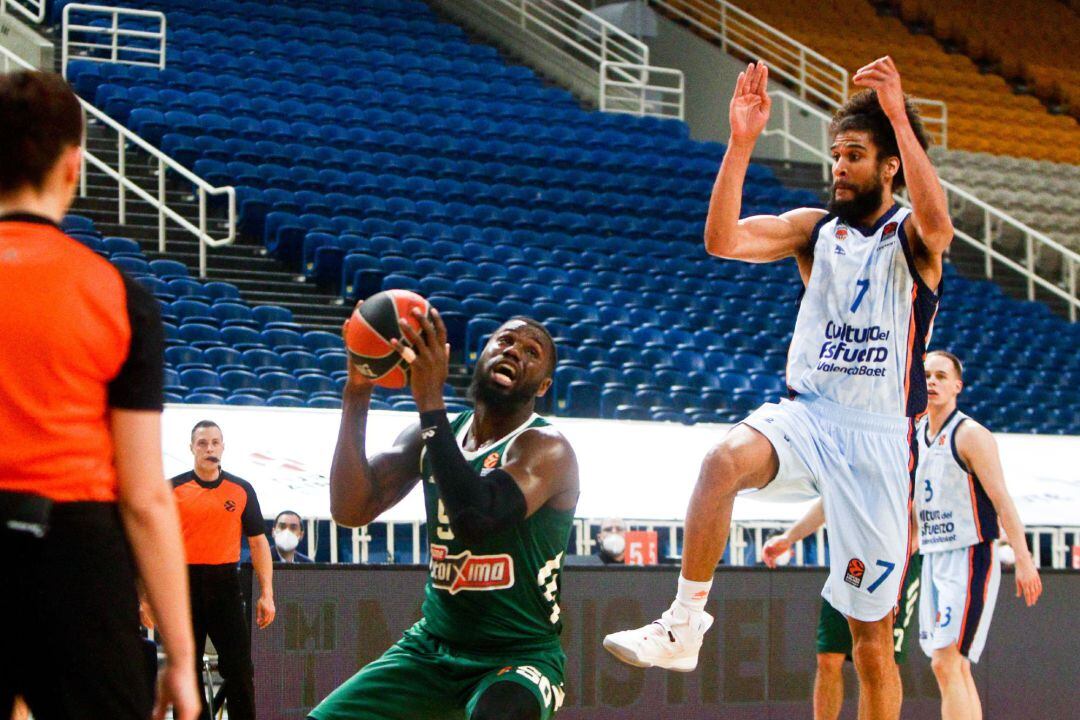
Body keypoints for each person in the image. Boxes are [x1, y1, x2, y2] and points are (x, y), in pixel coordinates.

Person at [604, 56, 952, 720]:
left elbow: (939, 227)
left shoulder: (909, 239)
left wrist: (900, 115)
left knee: (871, 647)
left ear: (889, 168)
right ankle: (683, 624)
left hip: (881, 443)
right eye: (836, 154)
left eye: (855, 154)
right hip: (810, 415)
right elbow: (722, 239)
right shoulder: (812, 230)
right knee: (720, 463)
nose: (839, 166)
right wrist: (739, 144)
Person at [0, 69, 198, 720]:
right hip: (74, 558)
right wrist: (178, 654)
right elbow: (144, 496)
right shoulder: (116, 295)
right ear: (72, 168)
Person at [311, 312, 579, 720]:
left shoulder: (547, 447)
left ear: (543, 386)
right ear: (480, 354)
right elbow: (350, 509)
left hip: (518, 657)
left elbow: (477, 520)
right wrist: (358, 390)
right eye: (504, 341)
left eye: (531, 352)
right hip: (432, 648)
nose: (514, 351)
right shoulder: (431, 434)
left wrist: (429, 403)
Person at [916, 351, 1042, 720]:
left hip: (970, 555)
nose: (932, 381)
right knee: (952, 667)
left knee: (946, 662)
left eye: (941, 376)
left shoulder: (970, 434)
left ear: (958, 386)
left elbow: (1002, 500)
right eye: (925, 375)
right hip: (933, 554)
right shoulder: (917, 434)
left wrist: (1024, 559)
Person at [762, 499, 923, 720]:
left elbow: (923, 496)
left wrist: (912, 540)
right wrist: (789, 537)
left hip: (897, 558)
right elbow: (831, 497)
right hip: (853, 558)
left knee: (882, 658)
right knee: (829, 654)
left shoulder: (908, 466)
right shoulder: (846, 465)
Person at [169, 420, 276, 720]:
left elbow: (258, 543)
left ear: (223, 447)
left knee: (240, 669)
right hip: (183, 587)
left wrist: (267, 592)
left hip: (226, 586)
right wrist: (148, 597)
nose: (209, 449)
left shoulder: (241, 489)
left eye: (215, 442)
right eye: (202, 443)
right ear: (191, 448)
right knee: (185, 669)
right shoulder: (173, 489)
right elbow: (152, 542)